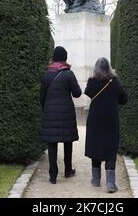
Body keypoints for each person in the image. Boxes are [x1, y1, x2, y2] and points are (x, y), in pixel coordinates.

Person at [85, 57, 128, 193]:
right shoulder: (114, 82)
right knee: (110, 148)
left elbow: (88, 92)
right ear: (109, 67)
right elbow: (124, 99)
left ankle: (96, 180)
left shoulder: (92, 81)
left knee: (95, 145)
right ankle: (110, 183)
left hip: (95, 119)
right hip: (110, 120)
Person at [40, 46, 82, 184]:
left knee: (52, 143)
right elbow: (77, 93)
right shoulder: (68, 73)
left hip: (50, 112)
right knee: (67, 141)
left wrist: (46, 109)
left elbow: (42, 97)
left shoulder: (47, 74)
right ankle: (68, 170)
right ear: (65, 58)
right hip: (66, 113)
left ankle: (53, 176)